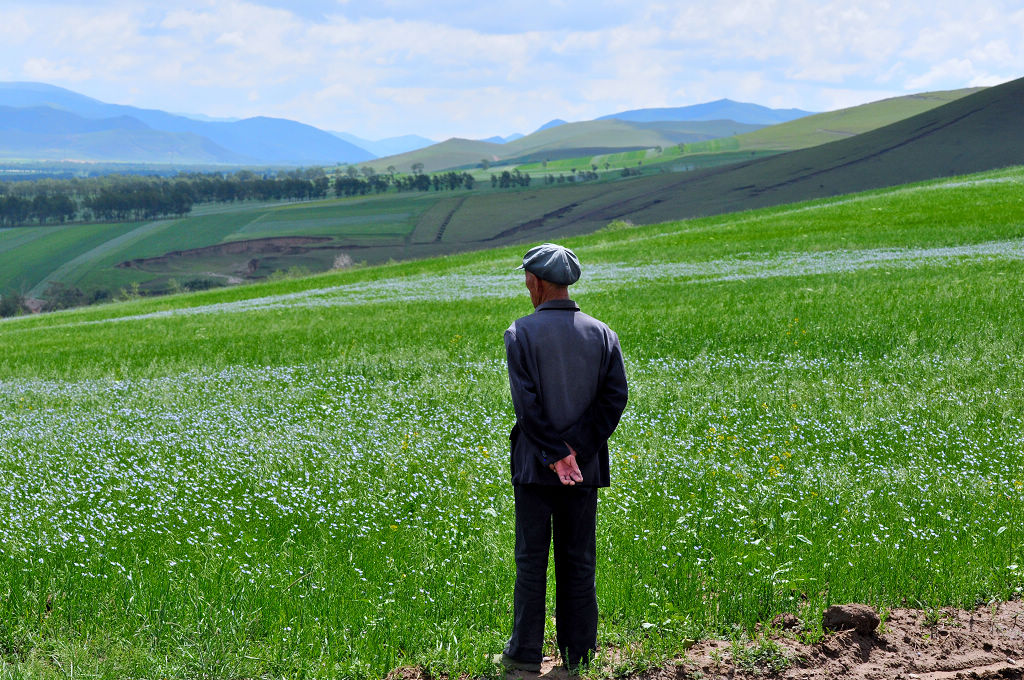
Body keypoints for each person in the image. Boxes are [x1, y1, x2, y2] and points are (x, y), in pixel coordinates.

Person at [498, 243, 629, 674]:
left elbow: (528, 408)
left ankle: (524, 656)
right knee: (578, 559)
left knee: (531, 561)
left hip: (534, 470)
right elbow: (614, 400)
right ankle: (579, 654)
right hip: (584, 470)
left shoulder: (520, 333)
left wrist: (555, 454)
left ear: (535, 283)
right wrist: (577, 451)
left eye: (526, 280)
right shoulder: (603, 333)